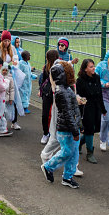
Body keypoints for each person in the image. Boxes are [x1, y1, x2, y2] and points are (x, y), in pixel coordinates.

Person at [41, 61, 81, 189]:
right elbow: (68, 113)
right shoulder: (62, 91)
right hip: (66, 128)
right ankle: (48, 167)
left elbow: (73, 110)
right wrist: (75, 130)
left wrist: (78, 125)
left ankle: (67, 177)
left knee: (73, 153)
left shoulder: (66, 89)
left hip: (71, 126)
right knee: (67, 152)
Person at [76, 59, 107, 164]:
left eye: (93, 66)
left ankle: (79, 143)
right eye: (91, 67)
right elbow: (79, 97)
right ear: (85, 69)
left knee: (93, 129)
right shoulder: (80, 80)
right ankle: (90, 153)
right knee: (89, 130)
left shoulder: (97, 78)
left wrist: (103, 109)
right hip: (86, 108)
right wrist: (82, 110)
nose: (93, 68)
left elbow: (100, 94)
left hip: (96, 107)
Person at [39, 50, 59, 145]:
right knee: (45, 114)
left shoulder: (59, 67)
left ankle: (54, 134)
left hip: (57, 93)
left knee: (56, 114)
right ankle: (46, 133)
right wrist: (41, 90)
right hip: (47, 93)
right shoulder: (46, 67)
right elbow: (43, 80)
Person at [1, 63, 18, 130]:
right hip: (0, 98)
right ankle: (2, 126)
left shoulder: (10, 78)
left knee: (8, 112)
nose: (4, 72)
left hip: (7, 98)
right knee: (1, 112)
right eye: (3, 70)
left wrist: (11, 99)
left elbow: (12, 89)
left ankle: (12, 123)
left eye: (6, 70)